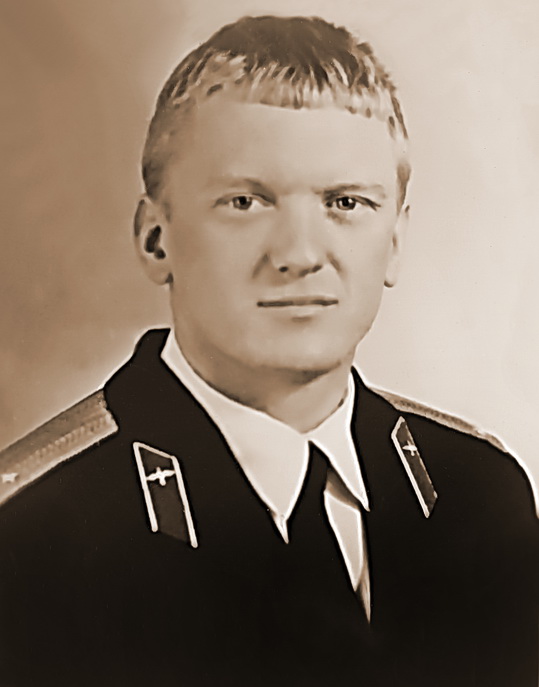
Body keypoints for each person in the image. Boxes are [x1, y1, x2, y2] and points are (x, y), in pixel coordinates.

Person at [0, 14, 537, 687]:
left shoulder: (481, 496)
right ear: (155, 239)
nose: (300, 254)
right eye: (245, 201)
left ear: (395, 241)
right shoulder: (37, 535)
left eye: (345, 202)